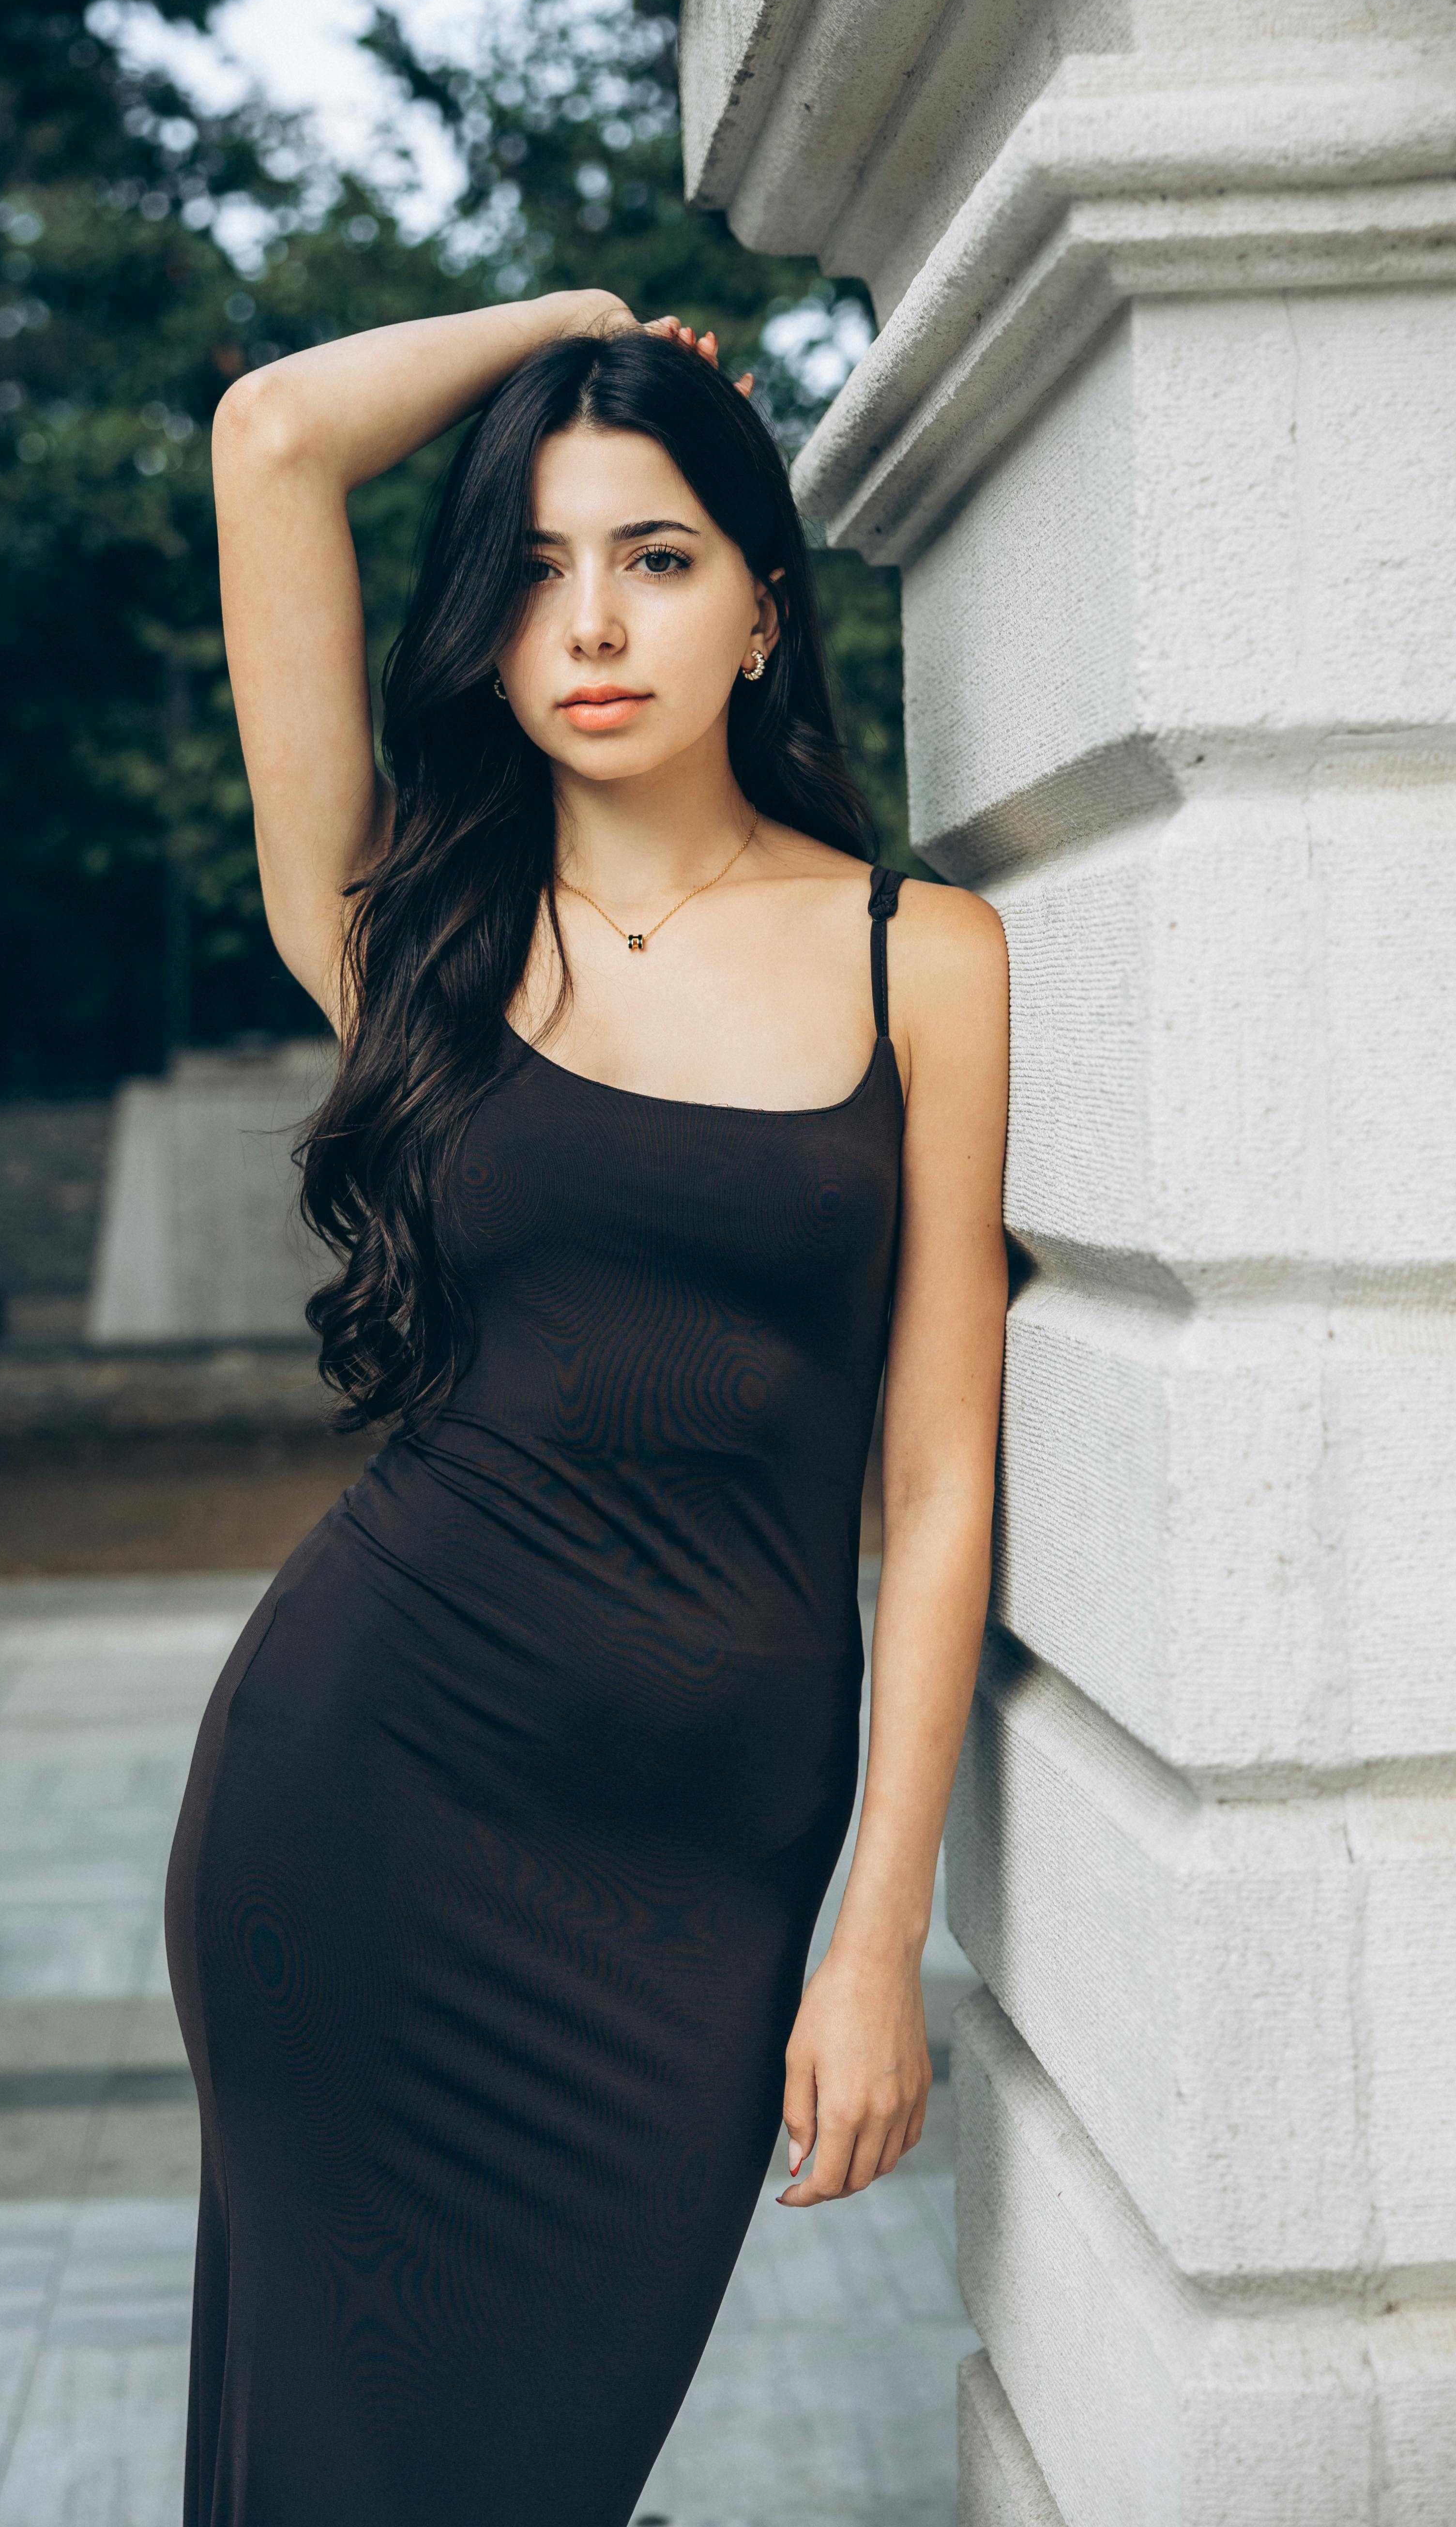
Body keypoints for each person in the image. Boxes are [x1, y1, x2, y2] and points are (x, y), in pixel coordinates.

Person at [165, 288, 1009, 2527]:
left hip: (699, 1887)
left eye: (655, 554)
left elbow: (935, 1484)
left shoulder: (916, 954)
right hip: (362, 1808)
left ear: (759, 608)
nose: (590, 622)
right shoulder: (407, 929)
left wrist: (876, 1932)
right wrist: (576, 327)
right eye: (535, 568)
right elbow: (269, 441)